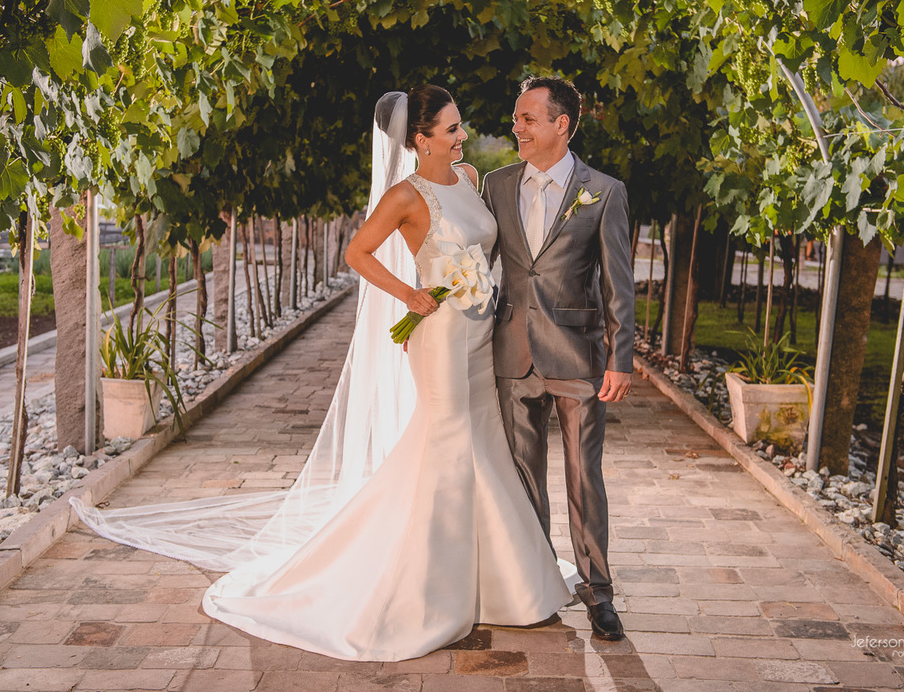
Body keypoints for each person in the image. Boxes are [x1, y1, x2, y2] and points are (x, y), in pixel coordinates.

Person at [72, 85, 571, 662]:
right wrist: (410, 294)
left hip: (479, 334)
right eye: (453, 129)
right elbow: (357, 254)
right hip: (440, 337)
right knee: (452, 445)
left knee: (481, 443)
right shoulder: (405, 196)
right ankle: (430, 590)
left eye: (461, 125)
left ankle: (500, 583)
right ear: (421, 139)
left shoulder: (468, 179)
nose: (464, 136)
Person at [481, 76, 636, 641]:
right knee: (521, 475)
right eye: (516, 117)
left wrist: (621, 357)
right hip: (512, 352)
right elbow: (475, 264)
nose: (516, 127)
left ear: (561, 124)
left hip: (578, 356)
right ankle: (536, 582)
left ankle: (599, 594)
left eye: (527, 118)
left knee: (583, 476)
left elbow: (619, 282)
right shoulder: (497, 185)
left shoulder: (605, 191)